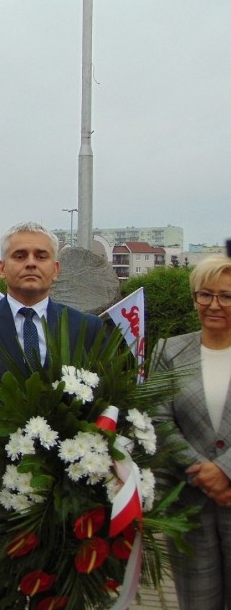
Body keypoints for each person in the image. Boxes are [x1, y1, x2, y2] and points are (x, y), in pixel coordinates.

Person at [0, 221, 104, 610]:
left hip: (66, 495)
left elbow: (105, 407)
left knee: (58, 598)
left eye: (41, 256)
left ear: (56, 270)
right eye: (20, 255)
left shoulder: (87, 329)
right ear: (1, 267)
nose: (31, 263)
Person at [153, 255, 231, 610]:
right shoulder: (169, 351)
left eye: (227, 296)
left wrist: (225, 470)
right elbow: (157, 419)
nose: (214, 305)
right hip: (188, 504)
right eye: (205, 295)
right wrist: (204, 472)